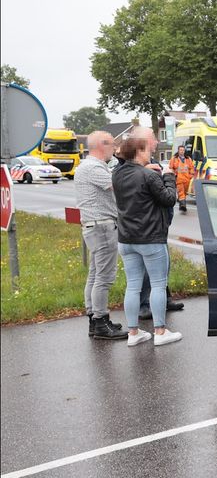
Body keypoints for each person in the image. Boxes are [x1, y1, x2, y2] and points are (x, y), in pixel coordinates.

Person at [112, 128, 183, 346]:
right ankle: (160, 331)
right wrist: (169, 177)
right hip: (151, 238)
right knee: (158, 284)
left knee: (133, 285)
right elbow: (169, 199)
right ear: (140, 150)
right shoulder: (149, 175)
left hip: (126, 238)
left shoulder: (118, 174)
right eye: (146, 148)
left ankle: (133, 333)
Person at [74, 131, 127, 340]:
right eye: (113, 145)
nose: (114, 150)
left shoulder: (88, 166)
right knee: (104, 277)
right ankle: (101, 321)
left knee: (95, 275)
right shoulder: (93, 167)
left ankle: (95, 320)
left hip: (95, 226)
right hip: (103, 227)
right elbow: (118, 185)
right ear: (102, 145)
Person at [168, 145, 195, 213]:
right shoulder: (174, 158)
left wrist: (191, 175)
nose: (182, 151)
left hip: (187, 179)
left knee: (184, 193)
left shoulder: (188, 159)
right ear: (178, 150)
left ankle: (181, 204)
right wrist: (173, 175)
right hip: (179, 179)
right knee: (181, 192)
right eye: (180, 150)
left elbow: (191, 167)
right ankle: (183, 205)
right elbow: (171, 167)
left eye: (183, 150)